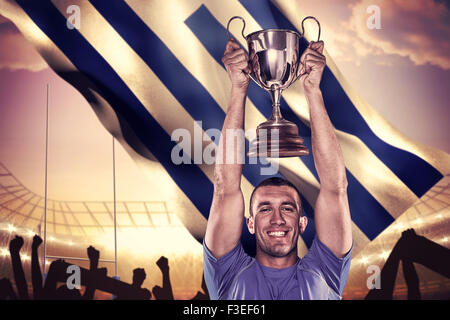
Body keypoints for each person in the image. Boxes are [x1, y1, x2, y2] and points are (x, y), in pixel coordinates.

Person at [203, 39, 353, 300]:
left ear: (303, 223)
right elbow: (225, 189)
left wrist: (312, 90)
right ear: (249, 224)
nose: (277, 219)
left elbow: (335, 188)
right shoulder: (226, 274)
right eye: (264, 209)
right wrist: (239, 89)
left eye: (287, 208)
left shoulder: (326, 272)